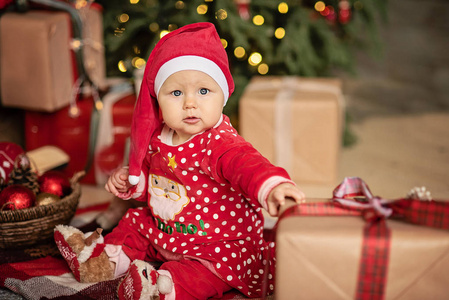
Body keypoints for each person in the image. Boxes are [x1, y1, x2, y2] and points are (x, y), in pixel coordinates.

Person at [55, 22, 305, 300]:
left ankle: (163, 288)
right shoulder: (159, 136)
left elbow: (246, 164)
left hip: (216, 242)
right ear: (159, 100)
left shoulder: (219, 142)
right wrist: (131, 181)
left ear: (223, 96)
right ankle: (105, 261)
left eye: (203, 91)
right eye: (176, 93)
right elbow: (154, 179)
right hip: (166, 229)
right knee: (135, 222)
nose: (189, 103)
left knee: (209, 272)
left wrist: (271, 186)